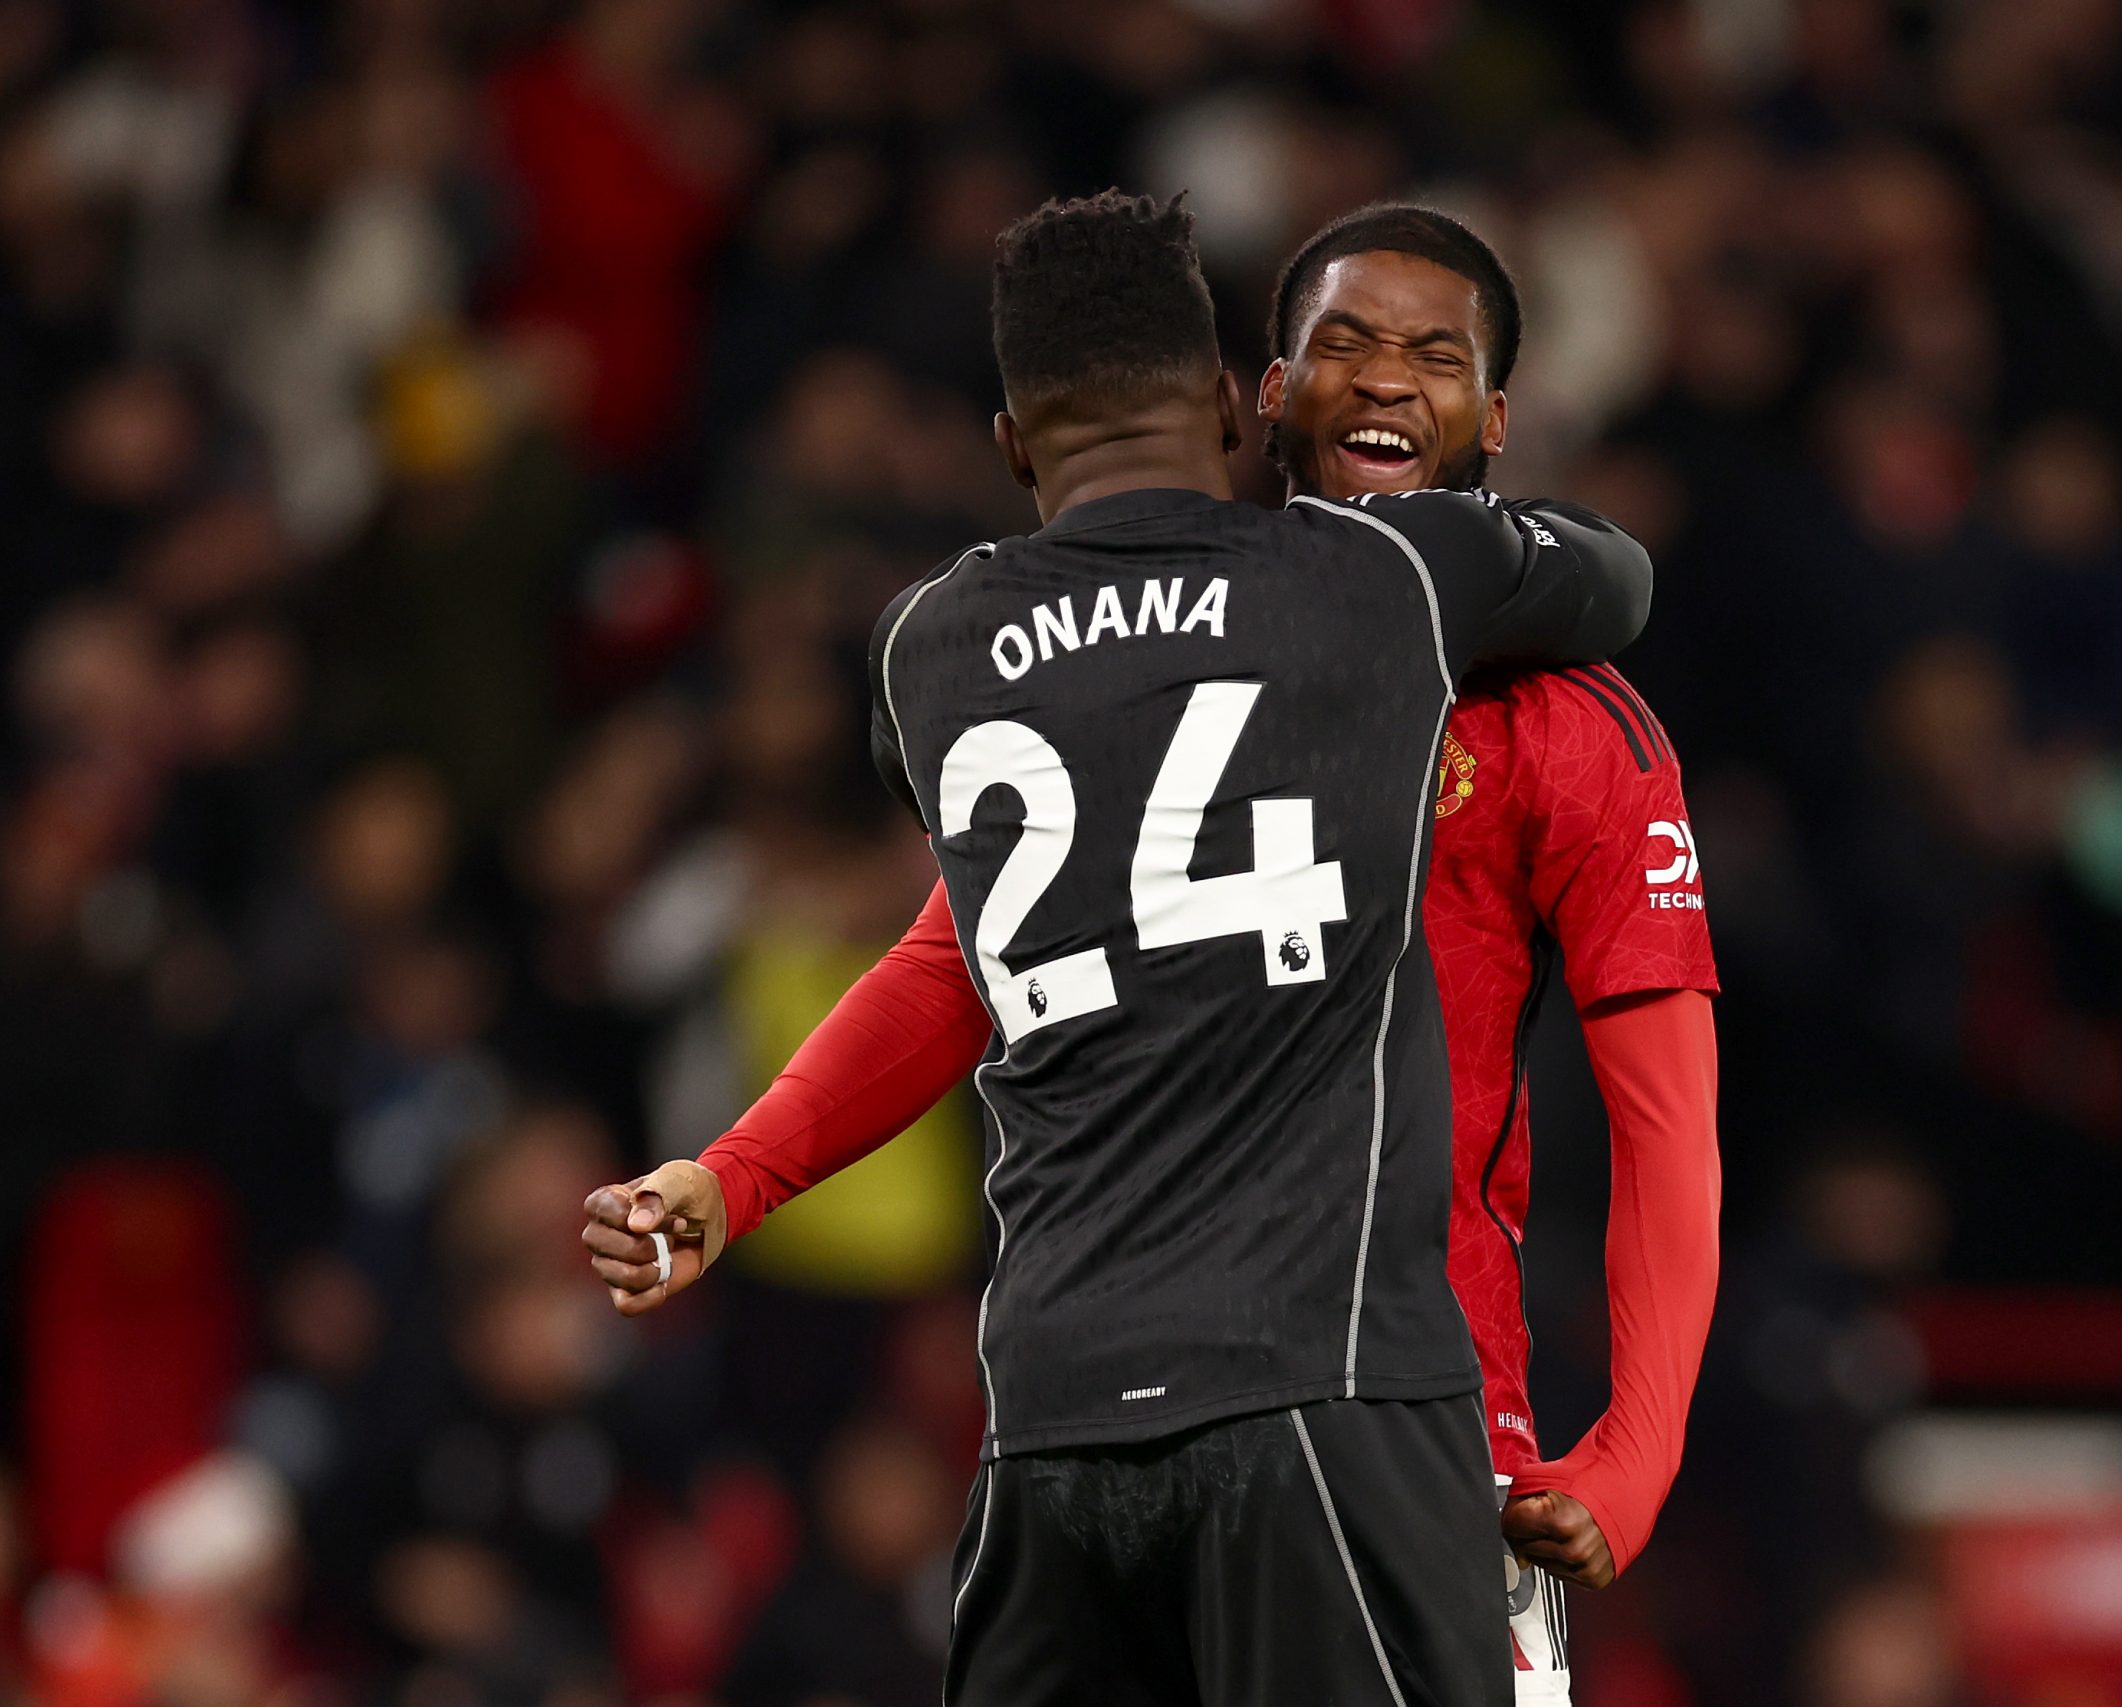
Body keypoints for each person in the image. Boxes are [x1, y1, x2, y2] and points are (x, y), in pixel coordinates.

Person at [589, 204, 1724, 1704]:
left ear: (1495, 415)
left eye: (1433, 356)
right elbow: (949, 965)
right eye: (1344, 345)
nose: (1385, 382)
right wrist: (738, 1173)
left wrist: (1634, 1452)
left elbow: (1665, 1122)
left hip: (1431, 1433)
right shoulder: (1211, 639)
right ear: (1260, 390)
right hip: (1278, 1416)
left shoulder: (1562, 725)